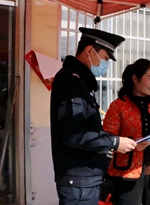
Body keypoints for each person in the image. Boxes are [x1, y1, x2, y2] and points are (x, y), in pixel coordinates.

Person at [50, 27, 137, 205]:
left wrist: (116, 140)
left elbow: (86, 128)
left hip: (85, 177)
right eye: (105, 58)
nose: (105, 64)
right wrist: (114, 142)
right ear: (90, 51)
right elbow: (73, 133)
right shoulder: (71, 81)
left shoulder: (82, 82)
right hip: (78, 179)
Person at [102, 59, 150, 205]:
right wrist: (131, 146)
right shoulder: (118, 106)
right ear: (135, 79)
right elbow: (107, 137)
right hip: (127, 173)